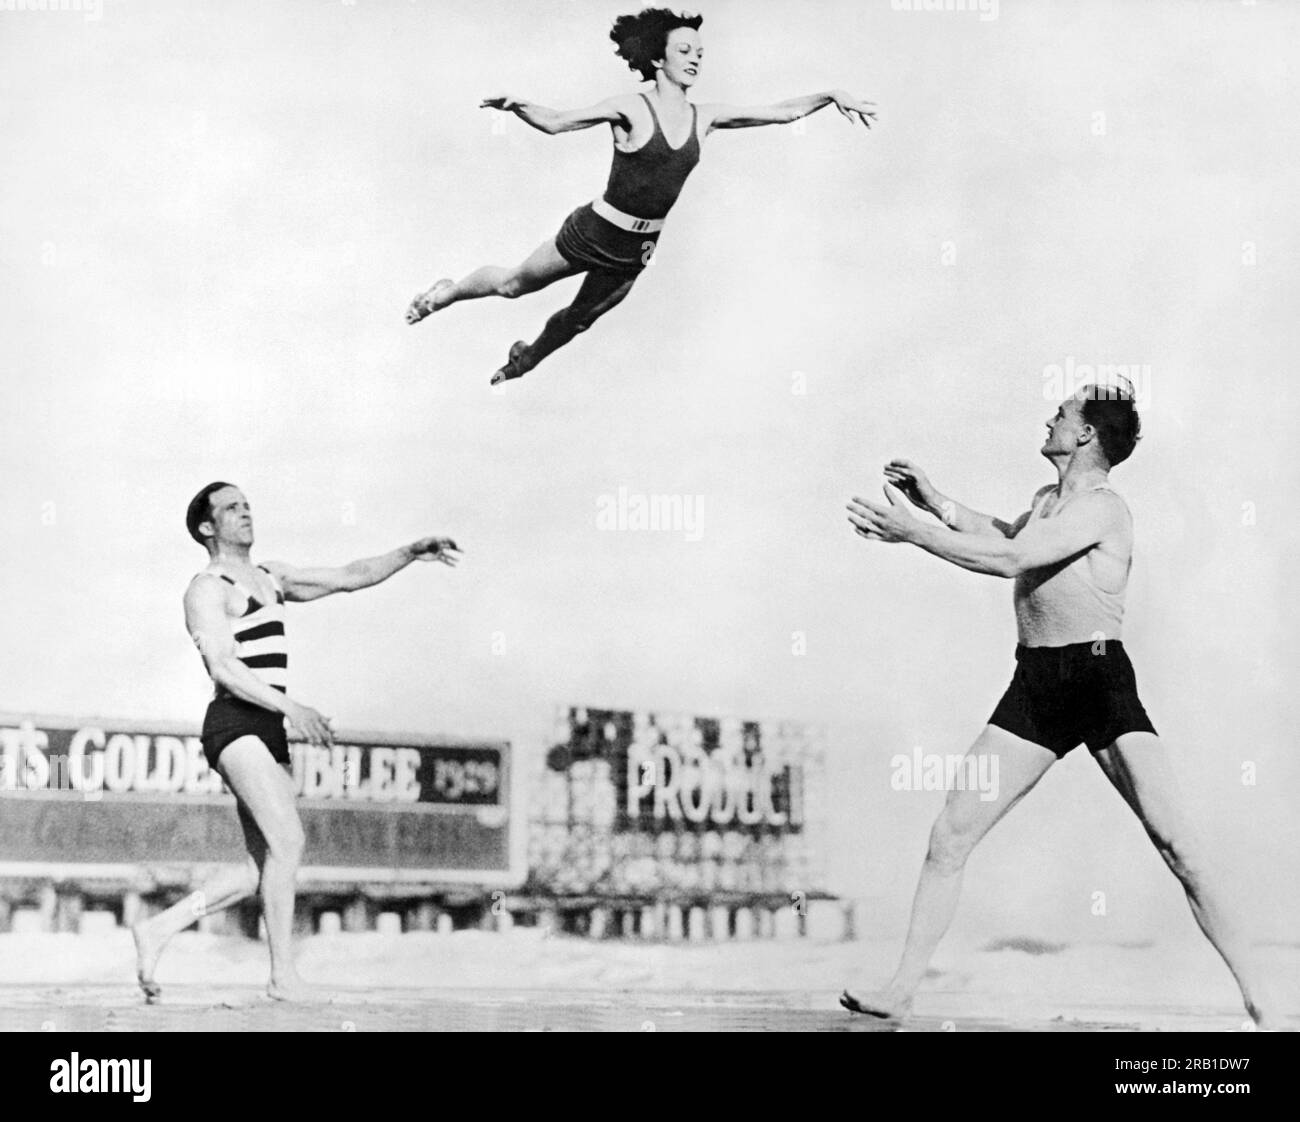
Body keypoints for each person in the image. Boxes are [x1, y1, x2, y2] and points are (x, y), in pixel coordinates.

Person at [841, 385, 1280, 1029]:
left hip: (1097, 681)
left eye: (1062, 414)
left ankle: (1265, 1000)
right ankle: (902, 989)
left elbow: (1013, 559)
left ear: (1085, 436)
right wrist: (935, 504)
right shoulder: (1048, 501)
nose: (1049, 418)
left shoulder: (1104, 510)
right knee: (950, 834)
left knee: (1178, 845)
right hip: (1037, 684)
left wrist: (914, 534)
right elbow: (1006, 534)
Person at [405, 6, 875, 385]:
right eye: (684, 50)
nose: (695, 59)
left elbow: (779, 112)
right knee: (514, 286)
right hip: (594, 230)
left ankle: (525, 360)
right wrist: (518, 106)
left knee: (578, 320)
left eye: (700, 53)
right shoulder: (631, 107)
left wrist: (831, 94)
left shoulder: (705, 117)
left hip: (637, 249)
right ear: (657, 58)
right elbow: (558, 122)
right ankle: (445, 294)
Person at [131, 481, 460, 1002]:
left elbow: (350, 577)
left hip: (267, 729)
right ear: (207, 527)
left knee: (261, 866)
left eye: (247, 505)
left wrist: (409, 552)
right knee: (289, 842)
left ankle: (160, 926)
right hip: (234, 723)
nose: (246, 513)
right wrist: (292, 708)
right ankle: (282, 976)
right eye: (232, 508)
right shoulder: (207, 588)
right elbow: (224, 668)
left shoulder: (272, 576)